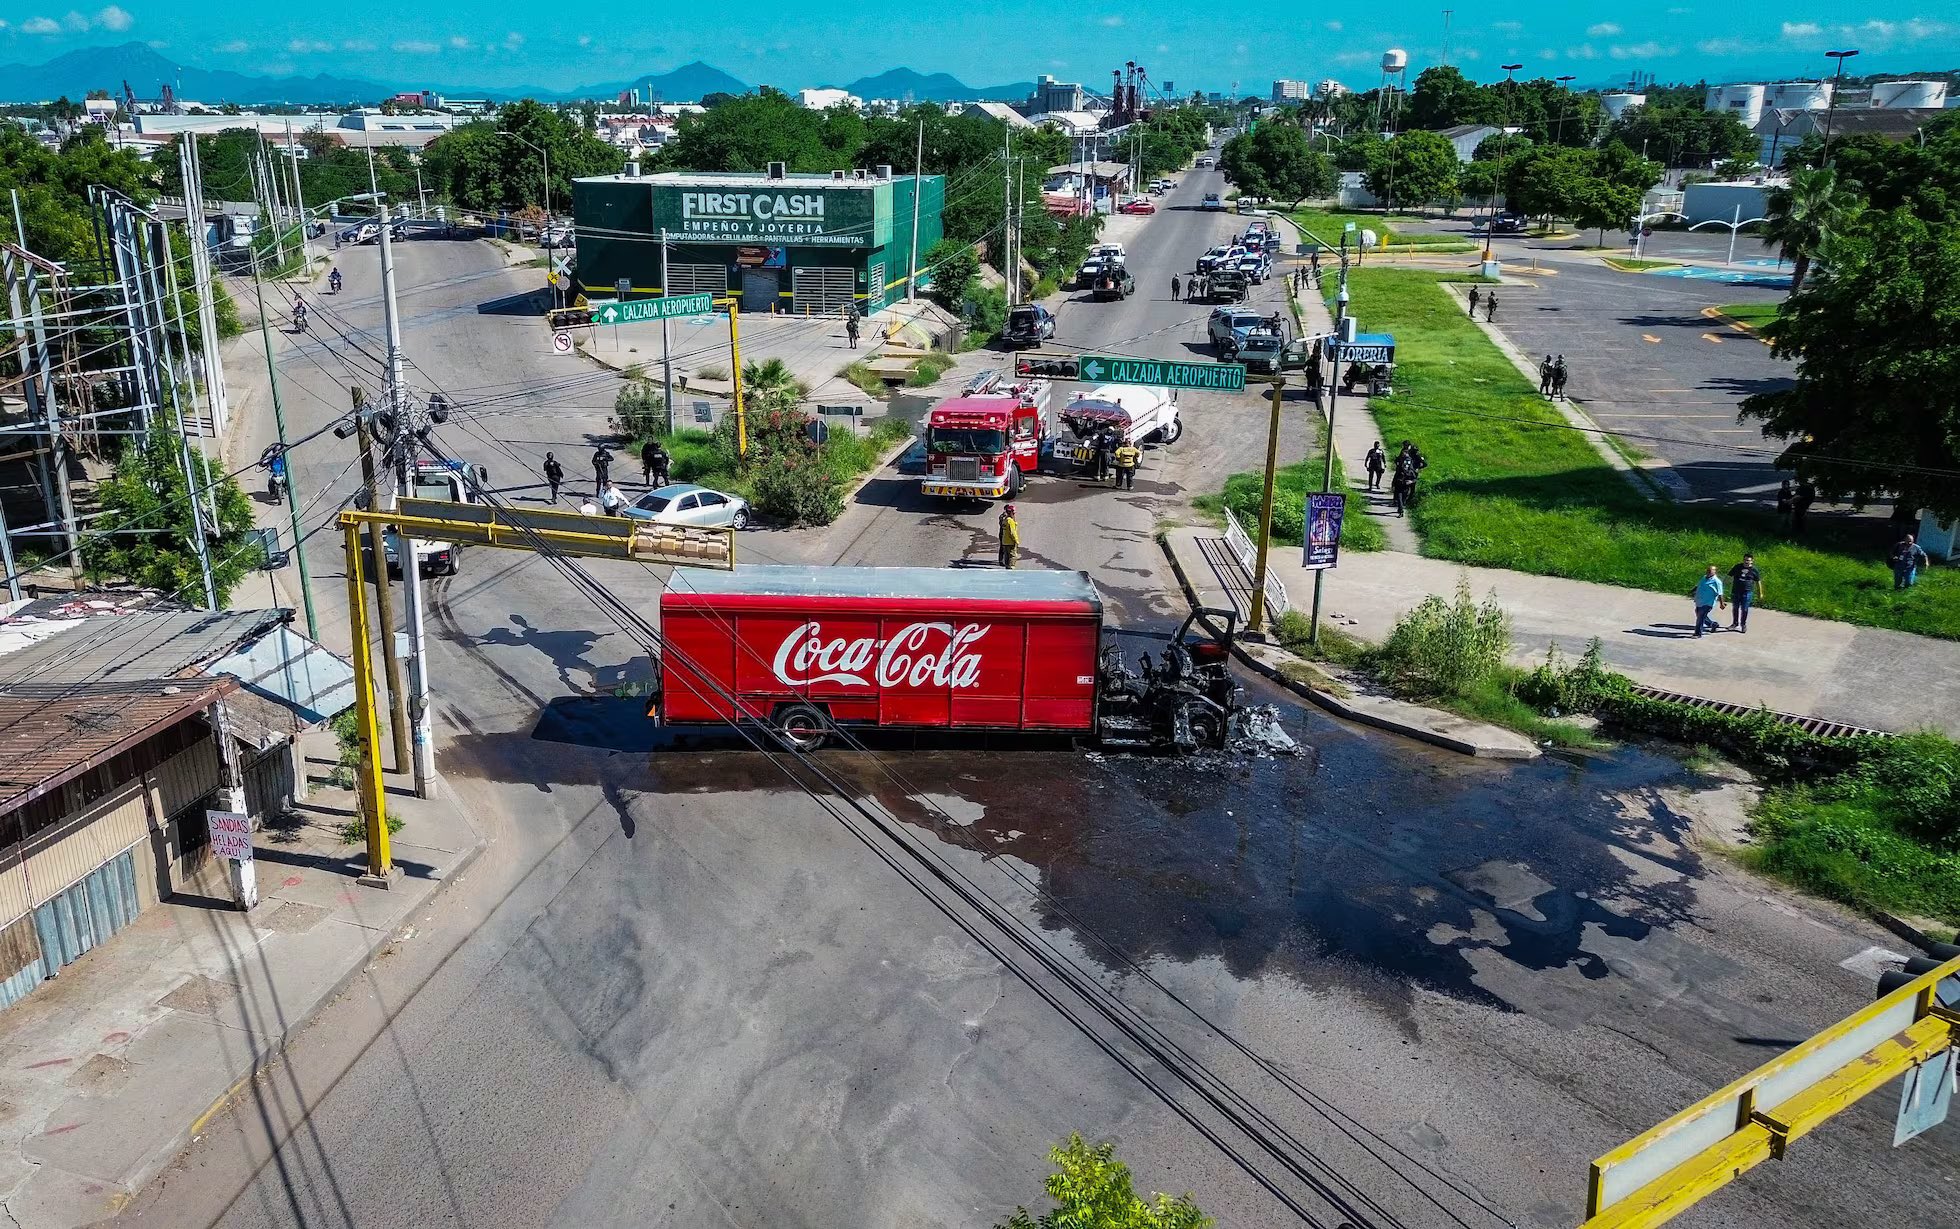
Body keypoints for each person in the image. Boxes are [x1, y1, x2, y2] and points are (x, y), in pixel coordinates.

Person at [1727, 554, 1763, 632]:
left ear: (1752, 561)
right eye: (1745, 560)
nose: (1746, 562)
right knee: (1735, 608)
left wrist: (1760, 593)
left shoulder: (1754, 570)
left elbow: (1758, 582)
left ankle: (1743, 624)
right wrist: (1723, 587)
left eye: (1748, 560)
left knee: (1745, 609)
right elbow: (1729, 576)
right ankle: (1734, 623)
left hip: (1747, 592)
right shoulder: (1737, 567)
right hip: (1736, 591)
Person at [1692, 566, 1725, 638]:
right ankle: (1713, 624)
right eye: (1708, 570)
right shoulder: (1704, 577)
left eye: (1711, 571)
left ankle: (1698, 633)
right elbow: (1699, 585)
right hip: (1700, 600)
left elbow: (1720, 593)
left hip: (1708, 602)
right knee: (1699, 614)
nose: (1709, 572)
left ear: (1715, 572)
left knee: (1700, 617)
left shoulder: (1717, 581)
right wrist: (1693, 590)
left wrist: (1722, 603)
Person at [998, 503, 1020, 569]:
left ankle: (1006, 565)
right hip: (1010, 541)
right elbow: (1012, 532)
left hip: (1004, 539)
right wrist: (1016, 541)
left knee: (1006, 554)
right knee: (1013, 556)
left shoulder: (1005, 519)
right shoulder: (1010, 521)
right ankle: (1011, 569)